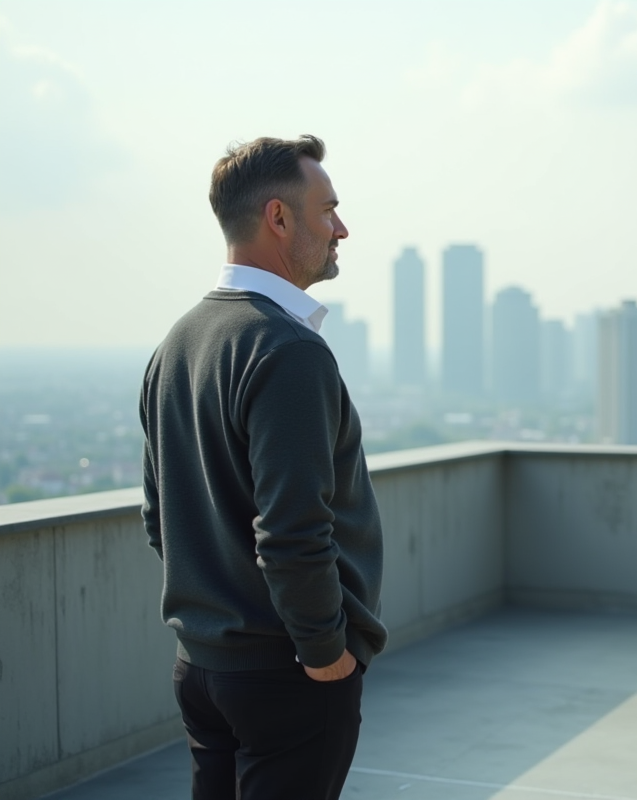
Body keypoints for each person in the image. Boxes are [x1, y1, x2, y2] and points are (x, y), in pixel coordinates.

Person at [139, 134, 387, 800]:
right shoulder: (288, 351)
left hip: (204, 668)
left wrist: (216, 623)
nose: (342, 228)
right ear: (279, 218)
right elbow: (294, 532)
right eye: (327, 209)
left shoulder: (178, 342)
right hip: (287, 673)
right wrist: (324, 655)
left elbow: (159, 517)